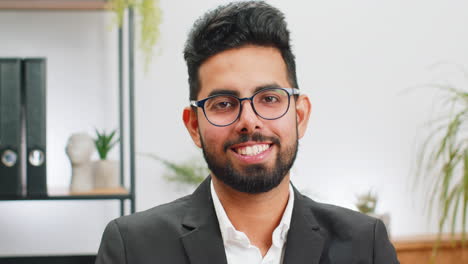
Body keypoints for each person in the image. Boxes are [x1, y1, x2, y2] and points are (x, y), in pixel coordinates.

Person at [95, 1, 399, 263]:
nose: (249, 121)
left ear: (300, 115)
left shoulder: (365, 245)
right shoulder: (132, 247)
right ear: (194, 126)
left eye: (269, 99)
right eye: (224, 103)